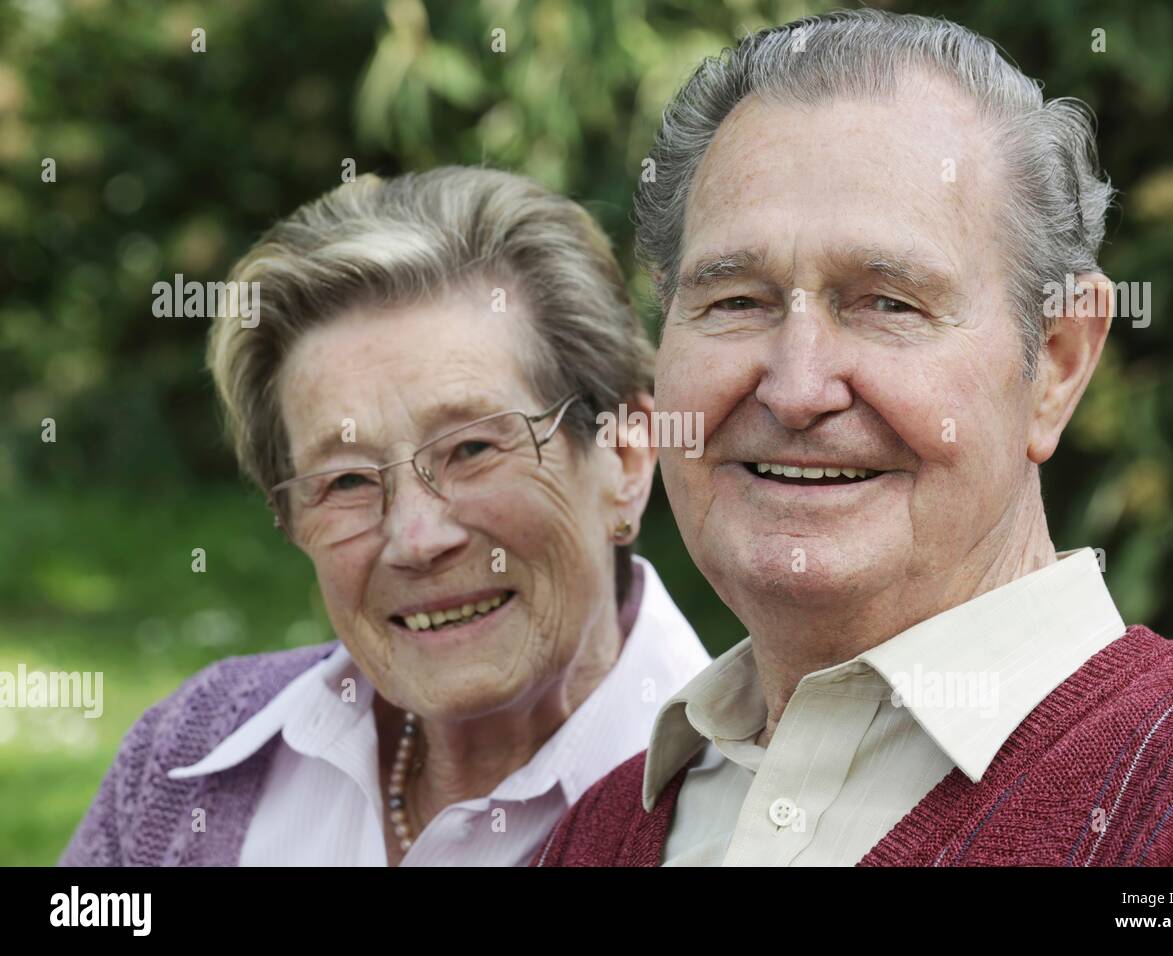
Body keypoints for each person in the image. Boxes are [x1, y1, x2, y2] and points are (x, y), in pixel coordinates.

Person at [535, 9, 1173, 867]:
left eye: (887, 303)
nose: (796, 389)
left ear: (1055, 363)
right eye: (736, 301)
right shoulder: (589, 841)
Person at [60, 166, 710, 866]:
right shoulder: (189, 762)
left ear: (627, 455)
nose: (417, 537)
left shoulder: (746, 815)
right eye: (344, 480)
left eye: (471, 448)